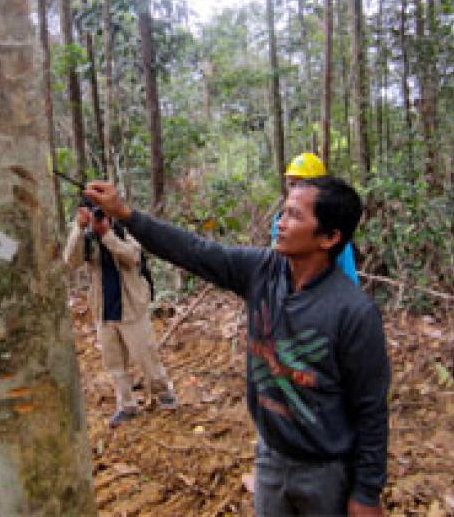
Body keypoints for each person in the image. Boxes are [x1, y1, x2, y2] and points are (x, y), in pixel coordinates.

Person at [85, 176, 389, 516]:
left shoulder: (354, 313)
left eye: (294, 216)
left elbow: (371, 410)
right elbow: (194, 251)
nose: (281, 223)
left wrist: (366, 493)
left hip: (326, 472)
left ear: (330, 237)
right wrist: (125, 214)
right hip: (271, 458)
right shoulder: (262, 271)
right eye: (282, 212)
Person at [63, 202, 177, 427]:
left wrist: (107, 235)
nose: (98, 218)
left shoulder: (125, 230)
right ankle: (126, 405)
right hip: (104, 309)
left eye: (101, 213)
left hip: (131, 306)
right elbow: (71, 260)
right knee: (114, 363)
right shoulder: (88, 237)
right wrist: (79, 227)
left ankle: (164, 394)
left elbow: (132, 257)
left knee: (146, 355)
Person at [271, 152, 359, 285]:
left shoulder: (329, 229)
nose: (296, 190)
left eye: (301, 183)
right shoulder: (278, 219)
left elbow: (349, 277)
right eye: (292, 184)